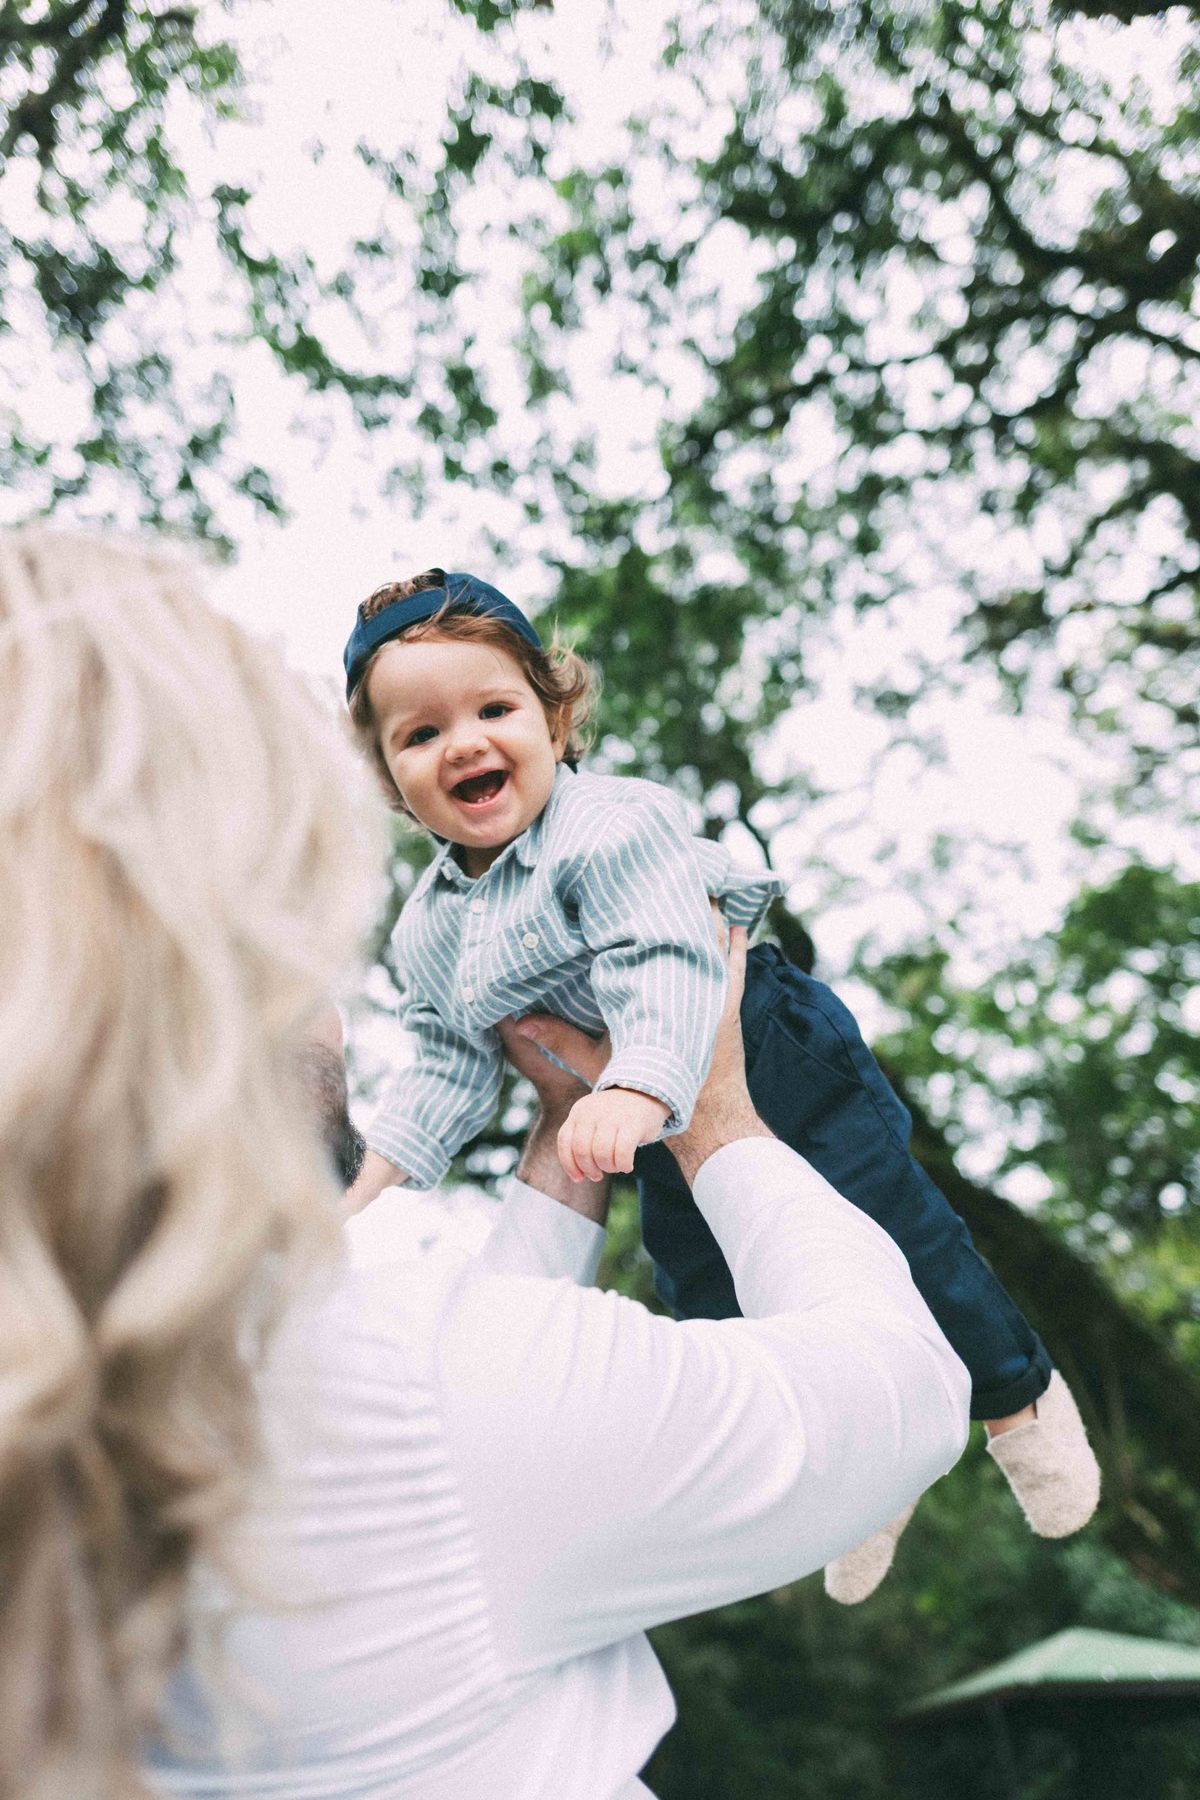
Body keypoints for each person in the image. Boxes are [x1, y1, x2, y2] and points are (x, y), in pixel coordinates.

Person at [1, 527, 967, 1800]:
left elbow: (475, 1394)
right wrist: (713, 1107)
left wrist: (561, 1143)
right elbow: (904, 1391)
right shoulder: (397, 1403)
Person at [340, 568, 1101, 1603]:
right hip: (633, 1110)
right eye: (421, 734)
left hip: (758, 1044)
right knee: (709, 1295)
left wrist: (637, 1089)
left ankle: (1019, 1399)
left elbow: (663, 956)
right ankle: (861, 1472)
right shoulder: (429, 930)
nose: (463, 744)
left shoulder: (611, 824)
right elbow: (445, 1060)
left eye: (494, 710)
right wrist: (369, 1182)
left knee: (892, 1229)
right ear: (390, 779)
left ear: (555, 721)